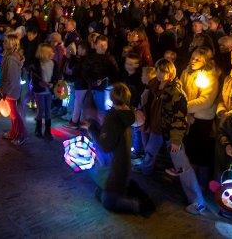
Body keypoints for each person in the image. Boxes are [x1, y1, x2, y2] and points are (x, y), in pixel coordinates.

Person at [137, 58, 207, 215]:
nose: (161, 74)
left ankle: (198, 201)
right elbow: (146, 104)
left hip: (169, 133)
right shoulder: (154, 85)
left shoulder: (176, 93)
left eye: (164, 71)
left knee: (182, 166)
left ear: (170, 73)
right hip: (156, 130)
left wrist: (176, 140)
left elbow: (179, 119)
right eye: (159, 70)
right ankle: (144, 172)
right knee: (149, 152)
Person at [89, 83, 155, 216]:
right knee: (100, 192)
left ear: (112, 98)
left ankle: (139, 206)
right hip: (123, 164)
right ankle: (127, 190)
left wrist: (92, 129)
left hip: (115, 167)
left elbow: (106, 146)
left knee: (109, 203)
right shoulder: (127, 114)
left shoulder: (113, 117)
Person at [178, 48, 219, 187]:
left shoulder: (210, 77)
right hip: (188, 116)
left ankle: (201, 184)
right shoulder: (186, 72)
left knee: (201, 153)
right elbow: (181, 90)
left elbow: (206, 100)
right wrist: (185, 111)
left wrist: (185, 108)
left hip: (202, 119)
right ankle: (189, 181)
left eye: (198, 59)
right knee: (189, 150)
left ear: (205, 61)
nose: (193, 61)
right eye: (192, 58)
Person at [0, 33, 27, 145]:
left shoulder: (11, 59)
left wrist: (6, 91)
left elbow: (12, 78)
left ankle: (21, 134)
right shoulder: (8, 56)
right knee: (12, 113)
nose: (3, 43)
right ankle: (13, 132)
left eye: (5, 42)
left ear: (11, 44)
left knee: (14, 114)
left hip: (10, 90)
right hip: (9, 89)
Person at [29, 43, 60, 140]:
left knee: (48, 110)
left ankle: (47, 131)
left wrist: (53, 83)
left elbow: (56, 76)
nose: (53, 53)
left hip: (49, 90)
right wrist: (40, 83)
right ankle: (38, 129)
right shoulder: (36, 64)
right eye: (50, 52)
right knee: (41, 109)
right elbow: (34, 78)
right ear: (44, 53)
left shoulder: (54, 63)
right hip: (40, 91)